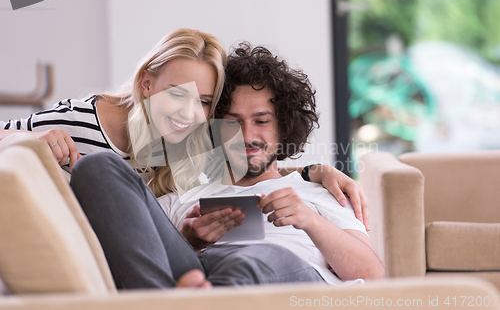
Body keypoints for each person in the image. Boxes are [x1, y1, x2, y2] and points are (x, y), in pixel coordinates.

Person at [69, 43, 384, 289]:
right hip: (196, 272)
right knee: (97, 166)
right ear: (211, 126)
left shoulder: (318, 191)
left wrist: (310, 220)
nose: (247, 135)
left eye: (261, 121)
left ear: (284, 126)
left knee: (255, 259)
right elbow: (133, 249)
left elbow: (373, 275)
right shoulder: (179, 196)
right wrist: (187, 241)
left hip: (284, 274)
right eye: (232, 122)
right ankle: (166, 302)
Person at [0, 28, 371, 228]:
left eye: (205, 101)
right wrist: (28, 138)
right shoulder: (85, 121)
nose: (190, 113)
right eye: (180, 94)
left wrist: (314, 171)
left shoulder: (183, 138)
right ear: (146, 83)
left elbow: (251, 167)